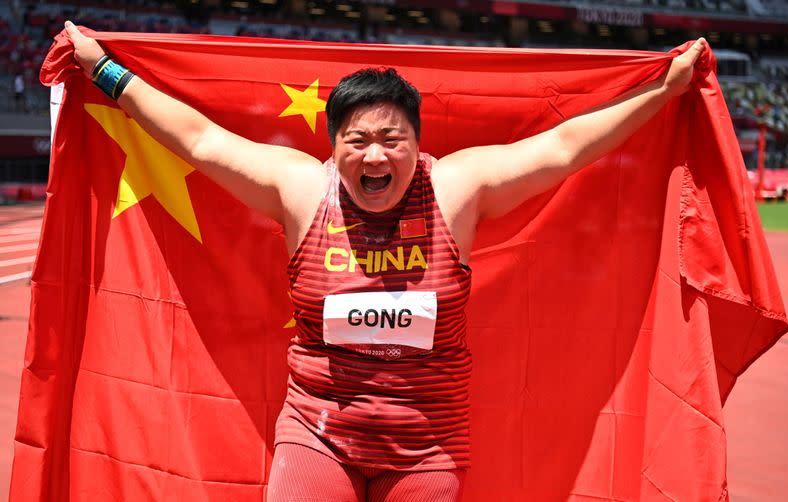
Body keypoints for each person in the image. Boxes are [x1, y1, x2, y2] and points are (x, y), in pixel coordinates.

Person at [63, 21, 707, 502]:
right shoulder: (299, 189)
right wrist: (104, 72)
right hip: (317, 432)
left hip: (430, 444)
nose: (376, 157)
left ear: (417, 144)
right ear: (334, 145)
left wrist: (663, 89)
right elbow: (199, 138)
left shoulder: (458, 189)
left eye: (392, 139)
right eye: (359, 140)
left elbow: (566, 146)